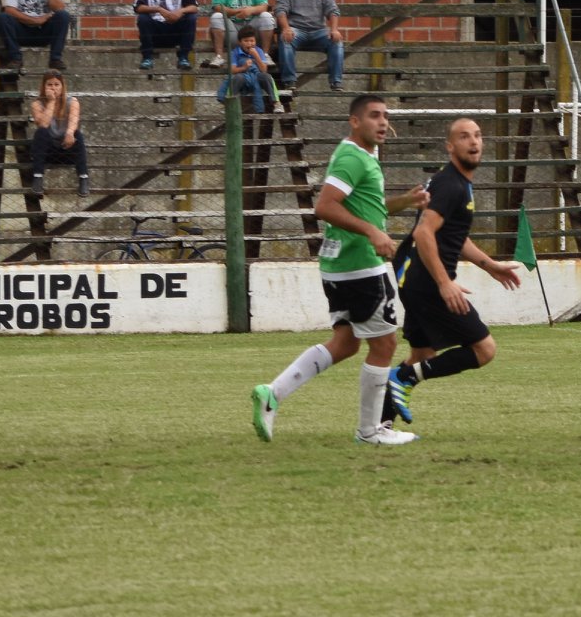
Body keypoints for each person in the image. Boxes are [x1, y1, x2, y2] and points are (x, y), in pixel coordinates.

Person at [252, 93, 430, 446]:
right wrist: (372, 232)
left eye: (385, 115)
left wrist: (405, 202)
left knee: (346, 343)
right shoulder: (352, 157)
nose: (383, 122)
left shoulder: (363, 156)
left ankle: (273, 394)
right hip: (360, 265)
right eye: (374, 115)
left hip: (340, 266)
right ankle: (370, 431)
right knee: (385, 344)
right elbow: (325, 207)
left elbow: (368, 208)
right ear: (355, 121)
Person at [378, 118, 530, 431]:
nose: (473, 142)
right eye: (464, 137)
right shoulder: (451, 185)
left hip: (414, 279)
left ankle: (378, 427)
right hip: (427, 283)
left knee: (422, 353)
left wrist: (490, 265)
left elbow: (454, 237)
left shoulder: (455, 182)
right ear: (450, 146)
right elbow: (423, 233)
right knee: (484, 349)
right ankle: (402, 378)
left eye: (477, 135)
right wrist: (445, 283)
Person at [275, 0, 345, 92]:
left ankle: (336, 81)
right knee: (285, 39)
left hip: (319, 31)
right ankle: (289, 81)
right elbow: (280, 11)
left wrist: (334, 30)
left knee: (337, 41)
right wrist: (286, 28)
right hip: (296, 30)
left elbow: (332, 10)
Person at [0, 0, 71, 72]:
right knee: (3, 17)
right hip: (22, 32)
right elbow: (10, 10)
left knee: (63, 16)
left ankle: (55, 59)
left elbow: (59, 8)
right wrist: (36, 20)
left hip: (44, 33)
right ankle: (16, 59)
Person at [26, 71, 88, 198]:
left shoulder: (72, 102)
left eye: (56, 84)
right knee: (41, 132)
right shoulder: (37, 104)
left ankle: (84, 178)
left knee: (78, 134)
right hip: (48, 153)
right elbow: (43, 124)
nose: (53, 88)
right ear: (44, 86)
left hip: (67, 150)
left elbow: (74, 121)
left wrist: (70, 133)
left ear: (62, 86)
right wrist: (51, 102)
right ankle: (38, 178)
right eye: (49, 84)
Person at [205, 0, 273, 69]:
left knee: (267, 16)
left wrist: (250, 10)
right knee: (216, 17)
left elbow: (264, 6)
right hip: (232, 31)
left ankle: (265, 55)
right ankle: (219, 57)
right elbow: (217, 7)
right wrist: (237, 11)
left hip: (252, 32)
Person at [133, 0, 197, 71]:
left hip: (175, 30)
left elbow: (194, 7)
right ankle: (147, 58)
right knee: (143, 18)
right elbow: (138, 7)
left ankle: (183, 58)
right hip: (156, 32)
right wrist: (158, 9)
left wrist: (180, 12)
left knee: (191, 18)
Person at [216, 30, 278, 114]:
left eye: (252, 41)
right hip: (243, 77)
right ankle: (228, 104)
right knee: (236, 78)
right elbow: (232, 70)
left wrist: (256, 56)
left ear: (255, 42)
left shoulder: (259, 51)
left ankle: (276, 103)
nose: (249, 44)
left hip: (257, 76)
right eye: (246, 41)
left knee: (267, 77)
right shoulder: (235, 52)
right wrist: (244, 67)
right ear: (240, 42)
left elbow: (264, 69)